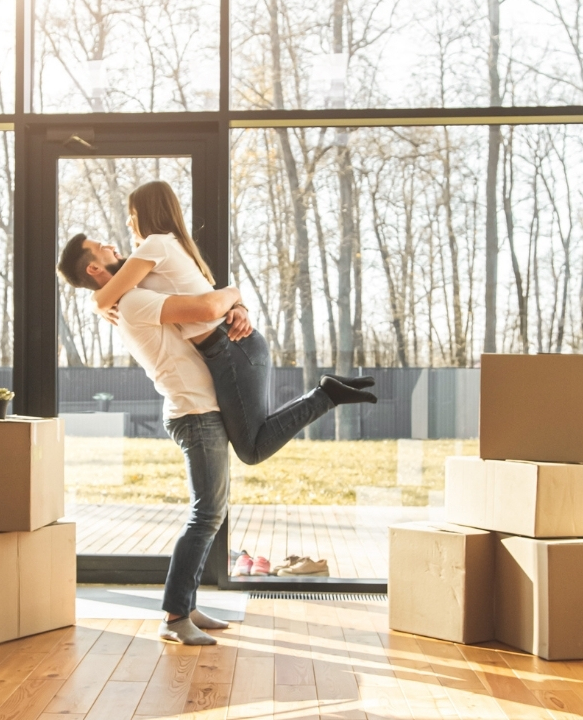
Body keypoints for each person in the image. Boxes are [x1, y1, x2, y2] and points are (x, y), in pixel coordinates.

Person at [85, 180, 377, 465]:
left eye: (132, 214)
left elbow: (104, 298)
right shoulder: (169, 246)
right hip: (229, 349)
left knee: (251, 449)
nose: (127, 222)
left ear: (148, 214)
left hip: (233, 348)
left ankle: (326, 395)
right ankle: (327, 393)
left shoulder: (155, 245)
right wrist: (239, 303)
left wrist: (96, 304)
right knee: (252, 442)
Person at [58, 240, 243, 645]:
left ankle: (187, 605)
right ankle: (175, 617)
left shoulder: (130, 299)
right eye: (98, 246)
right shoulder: (136, 301)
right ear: (93, 269)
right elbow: (210, 308)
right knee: (206, 514)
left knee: (210, 513)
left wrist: (237, 307)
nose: (111, 245)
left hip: (197, 410)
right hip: (194, 413)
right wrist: (235, 293)